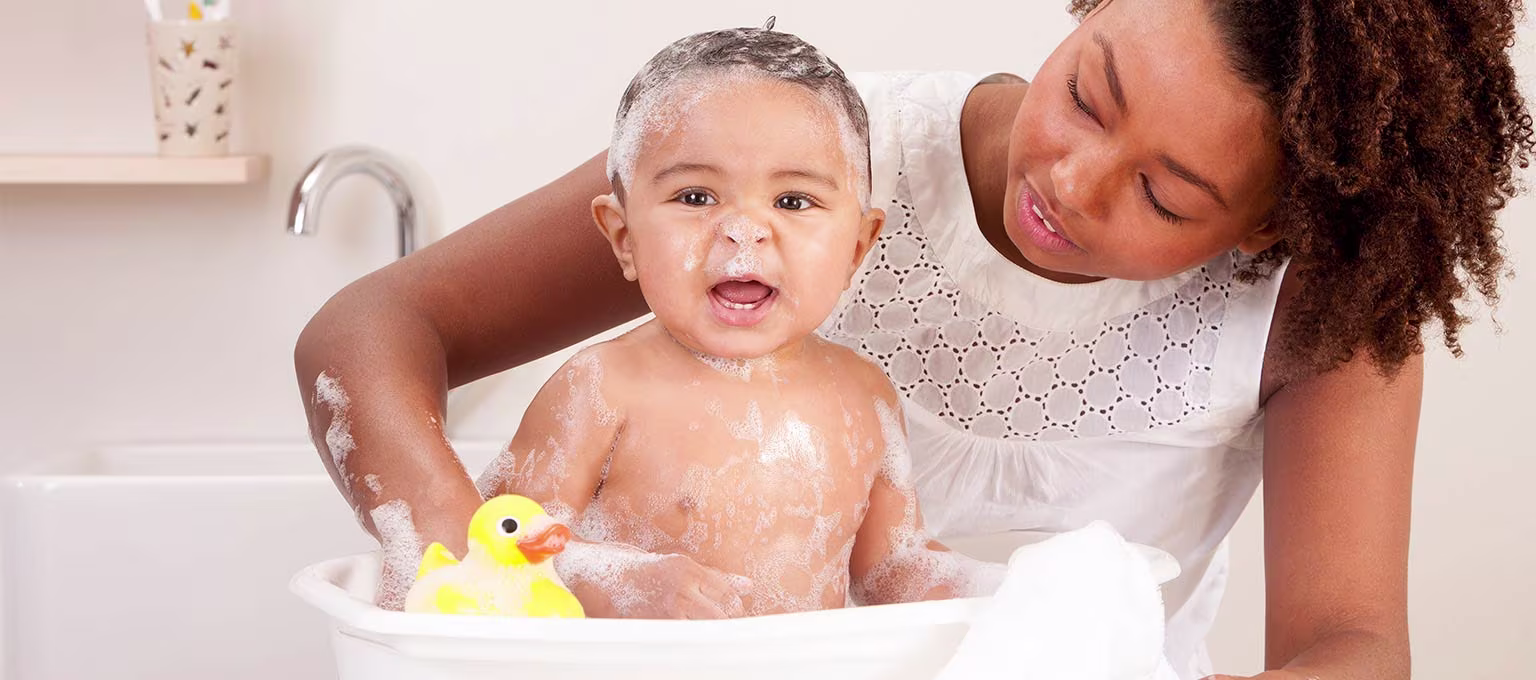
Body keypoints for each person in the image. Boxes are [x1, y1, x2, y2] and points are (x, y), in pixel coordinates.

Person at [294, 0, 1534, 677]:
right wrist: (474, 586)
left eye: (1165, 197)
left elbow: (1349, 640)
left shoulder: (1319, 303)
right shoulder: (801, 163)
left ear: (1270, 226)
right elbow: (374, 325)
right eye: (1089, 90)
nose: (1074, 180)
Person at [472, 26, 1000, 618]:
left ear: (857, 246)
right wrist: (621, 584)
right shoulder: (602, 387)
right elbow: (497, 550)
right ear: (624, 237)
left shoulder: (864, 397)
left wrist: (1017, 589)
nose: (744, 230)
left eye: (793, 201)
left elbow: (892, 570)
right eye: (696, 197)